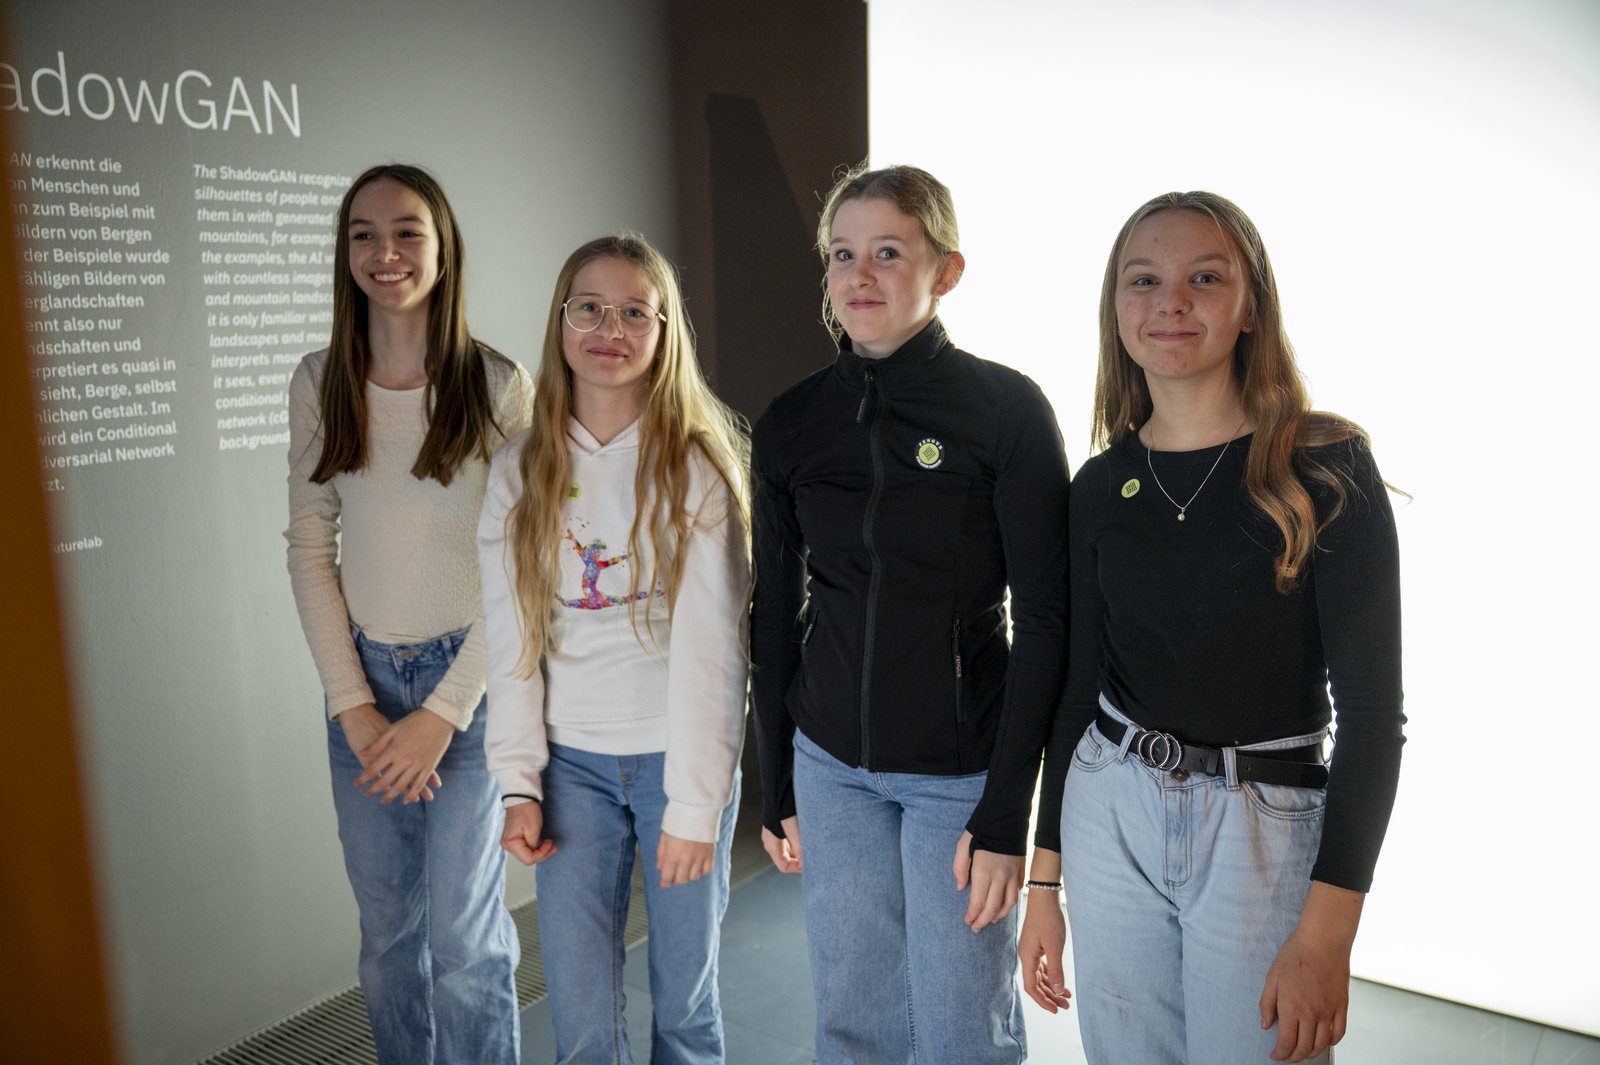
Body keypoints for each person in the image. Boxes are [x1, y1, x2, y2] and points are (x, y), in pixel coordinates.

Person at [1018, 191, 1404, 1065]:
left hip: (1263, 828)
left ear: (1250, 305)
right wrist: (1045, 881)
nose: (1171, 302)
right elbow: (1077, 694)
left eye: (1204, 278)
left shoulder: (1325, 468)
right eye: (1143, 280)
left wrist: (1329, 934)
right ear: (1116, 308)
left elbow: (1375, 718)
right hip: (1110, 810)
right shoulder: (1099, 486)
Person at [750, 164, 1071, 1065]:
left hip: (959, 774)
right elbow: (774, 615)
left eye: (887, 252)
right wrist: (778, 782)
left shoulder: (1005, 411)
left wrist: (1008, 811)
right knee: (853, 1020)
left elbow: (1047, 621)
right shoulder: (791, 422)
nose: (860, 275)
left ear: (947, 270)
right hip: (830, 767)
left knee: (962, 1027)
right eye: (842, 254)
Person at [478, 234, 750, 1065]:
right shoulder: (520, 468)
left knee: (685, 1008)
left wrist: (697, 807)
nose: (611, 329)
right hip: (571, 771)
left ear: (665, 332)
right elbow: (512, 642)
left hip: (677, 763)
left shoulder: (697, 468)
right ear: (560, 322)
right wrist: (518, 782)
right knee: (583, 1020)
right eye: (590, 308)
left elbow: (715, 656)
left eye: (636, 312)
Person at [285, 163, 530, 1065]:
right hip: (365, 686)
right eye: (364, 234)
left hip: (469, 691)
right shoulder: (320, 380)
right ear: (344, 251)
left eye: (407, 232)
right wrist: (354, 704)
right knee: (388, 938)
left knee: (466, 942)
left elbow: (524, 566)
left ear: (442, 247)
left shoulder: (497, 383)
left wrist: (443, 711)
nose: (384, 253)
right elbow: (309, 547)